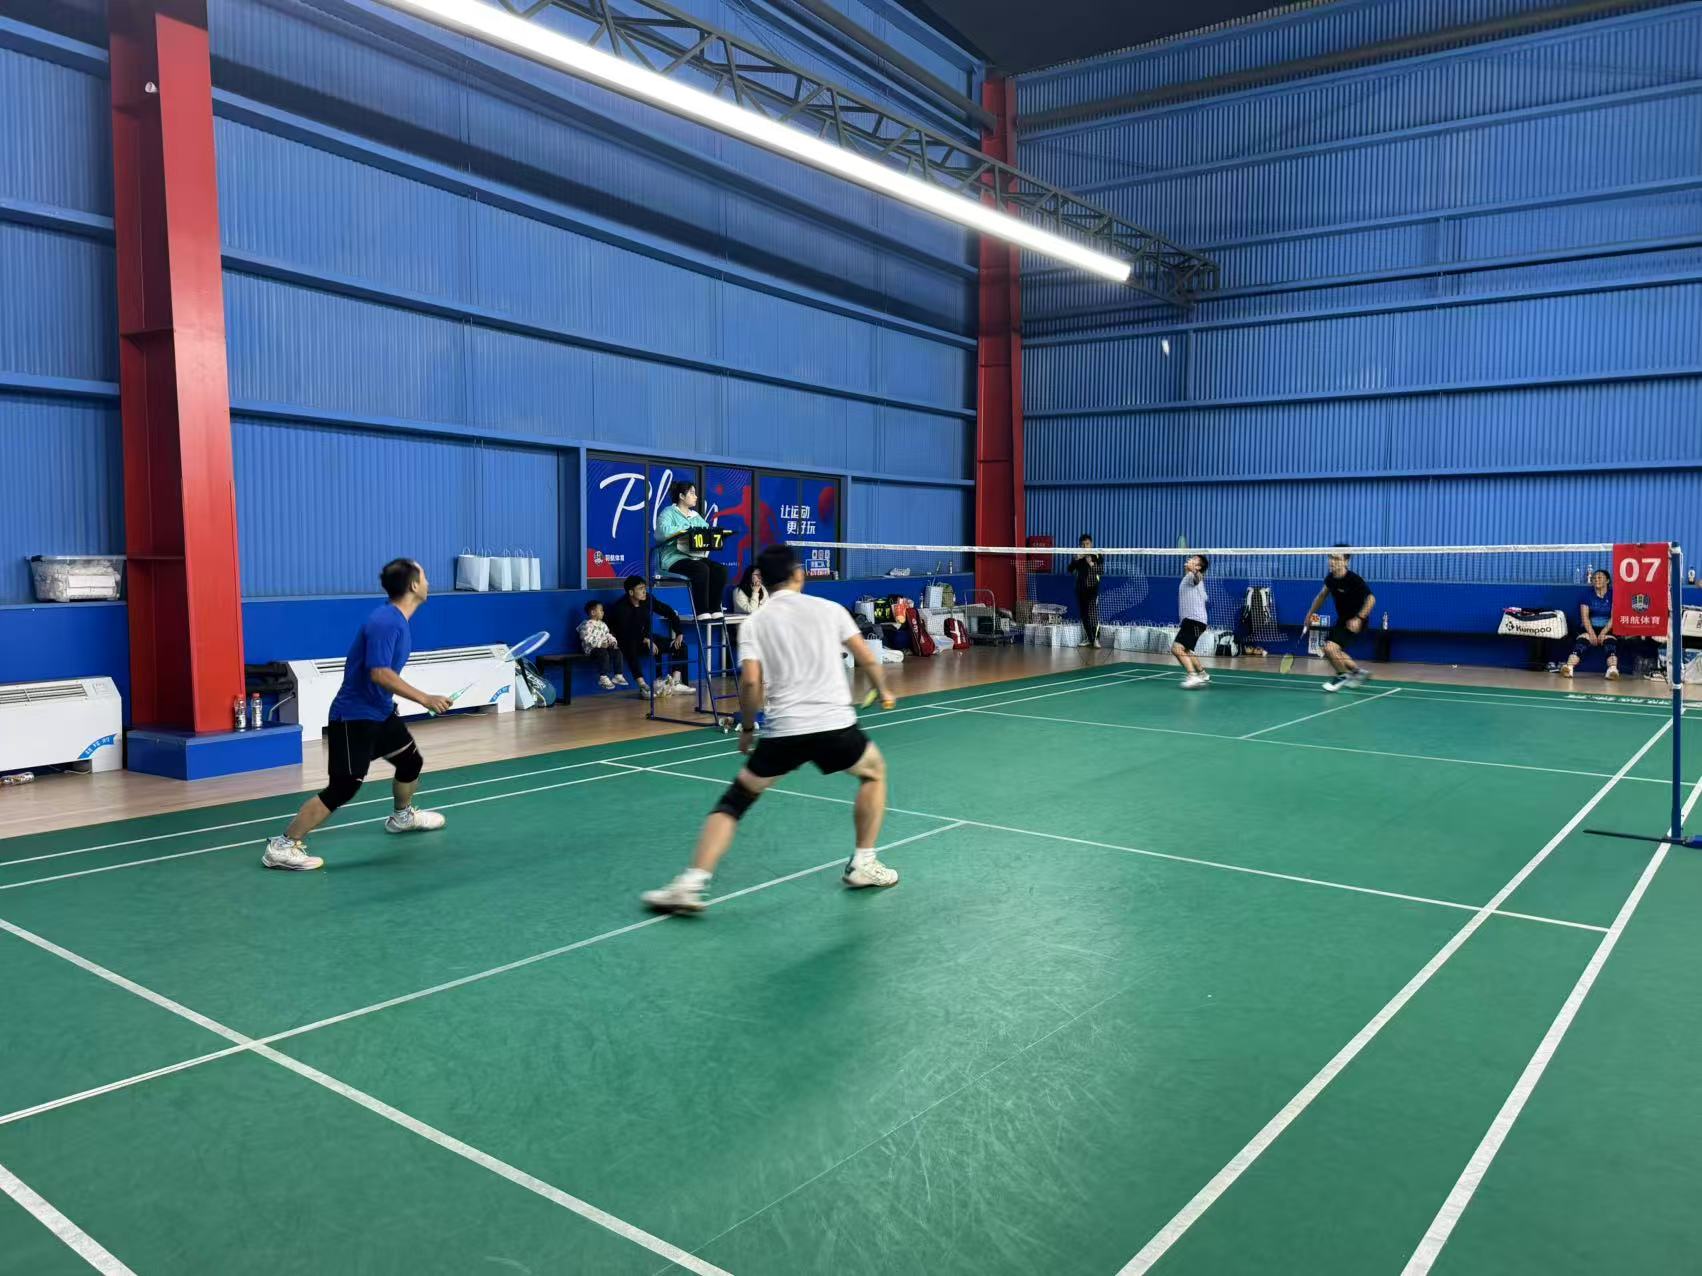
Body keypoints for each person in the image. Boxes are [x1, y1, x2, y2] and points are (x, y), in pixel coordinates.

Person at [642, 544, 900, 914]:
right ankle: (863, 862)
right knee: (874, 773)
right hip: (834, 726)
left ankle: (690, 883)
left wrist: (748, 727)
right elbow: (867, 658)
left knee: (735, 801)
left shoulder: (755, 622)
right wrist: (884, 689)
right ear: (798, 574)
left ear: (762, 578)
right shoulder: (830, 609)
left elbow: (751, 683)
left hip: (784, 731)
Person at [262, 559, 450, 871]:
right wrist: (425, 698)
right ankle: (283, 846)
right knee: (344, 786)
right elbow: (379, 672)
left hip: (379, 712)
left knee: (410, 761)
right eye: (425, 576)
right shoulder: (386, 622)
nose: (429, 582)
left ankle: (402, 817)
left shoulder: (397, 620)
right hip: (354, 717)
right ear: (414, 585)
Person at [605, 574, 693, 698]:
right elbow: (626, 633)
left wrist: (679, 632)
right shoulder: (620, 607)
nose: (644, 591)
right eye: (640, 588)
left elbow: (668, 611)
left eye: (644, 588)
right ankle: (643, 686)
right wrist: (646, 639)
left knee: (680, 646)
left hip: (646, 639)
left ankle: (675, 682)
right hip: (625, 641)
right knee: (630, 647)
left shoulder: (647, 599)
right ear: (631, 592)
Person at [1306, 550, 1376, 693]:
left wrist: (1359, 618)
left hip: (1356, 621)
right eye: (1331, 558)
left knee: (1330, 648)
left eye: (1337, 558)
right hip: (1342, 620)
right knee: (1332, 650)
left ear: (1346, 561)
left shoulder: (1354, 579)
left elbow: (1371, 599)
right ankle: (1357, 672)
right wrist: (1310, 614)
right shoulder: (1331, 579)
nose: (1332, 561)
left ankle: (1342, 676)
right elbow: (1321, 596)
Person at [656, 480, 728, 617]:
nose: (696, 497)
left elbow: (707, 532)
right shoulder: (668, 512)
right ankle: (701, 611)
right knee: (701, 569)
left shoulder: (695, 516)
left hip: (695, 557)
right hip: (674, 559)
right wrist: (686, 529)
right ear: (681, 496)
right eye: (692, 493)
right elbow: (662, 533)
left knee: (720, 570)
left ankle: (714, 609)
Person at [1565, 568, 1620, 680]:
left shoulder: (1614, 595)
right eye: (1594, 578)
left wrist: (1603, 633)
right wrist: (1592, 633)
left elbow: (1614, 617)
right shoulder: (1586, 595)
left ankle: (1612, 670)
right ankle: (1569, 667)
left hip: (1608, 628)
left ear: (1607, 581)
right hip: (1589, 627)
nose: (1596, 580)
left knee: (1610, 643)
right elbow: (1584, 617)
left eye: (1600, 577)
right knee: (1582, 642)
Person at [1174, 554, 1211, 689]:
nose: (1190, 559)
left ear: (1198, 567)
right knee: (1187, 649)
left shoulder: (1194, 576)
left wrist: (1193, 571)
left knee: (1177, 648)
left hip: (1193, 620)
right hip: (1196, 621)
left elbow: (1197, 578)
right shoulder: (1190, 577)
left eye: (1194, 560)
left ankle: (1192, 676)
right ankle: (1202, 674)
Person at [577, 599, 628, 691]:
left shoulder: (603, 624)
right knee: (603, 653)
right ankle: (603, 677)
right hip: (591, 649)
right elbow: (587, 639)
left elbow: (608, 634)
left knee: (617, 650)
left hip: (604, 647)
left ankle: (618, 675)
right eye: (600, 610)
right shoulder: (586, 625)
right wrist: (601, 644)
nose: (603, 612)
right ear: (593, 612)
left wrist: (613, 642)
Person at [1068, 534, 1103, 648]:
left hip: (1093, 590)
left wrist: (1091, 563)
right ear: (1080, 545)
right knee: (1084, 615)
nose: (1085, 546)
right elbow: (1070, 570)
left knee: (1093, 615)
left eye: (1087, 544)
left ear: (1091, 544)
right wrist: (1075, 559)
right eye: (1083, 544)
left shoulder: (1097, 555)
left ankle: (1096, 639)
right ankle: (1089, 638)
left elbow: (1101, 571)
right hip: (1080, 590)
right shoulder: (1078, 556)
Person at [729, 562, 766, 661]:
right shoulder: (738, 592)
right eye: (757, 575)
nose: (760, 578)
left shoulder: (763, 590)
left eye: (761, 575)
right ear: (749, 576)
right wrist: (755, 592)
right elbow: (751, 610)